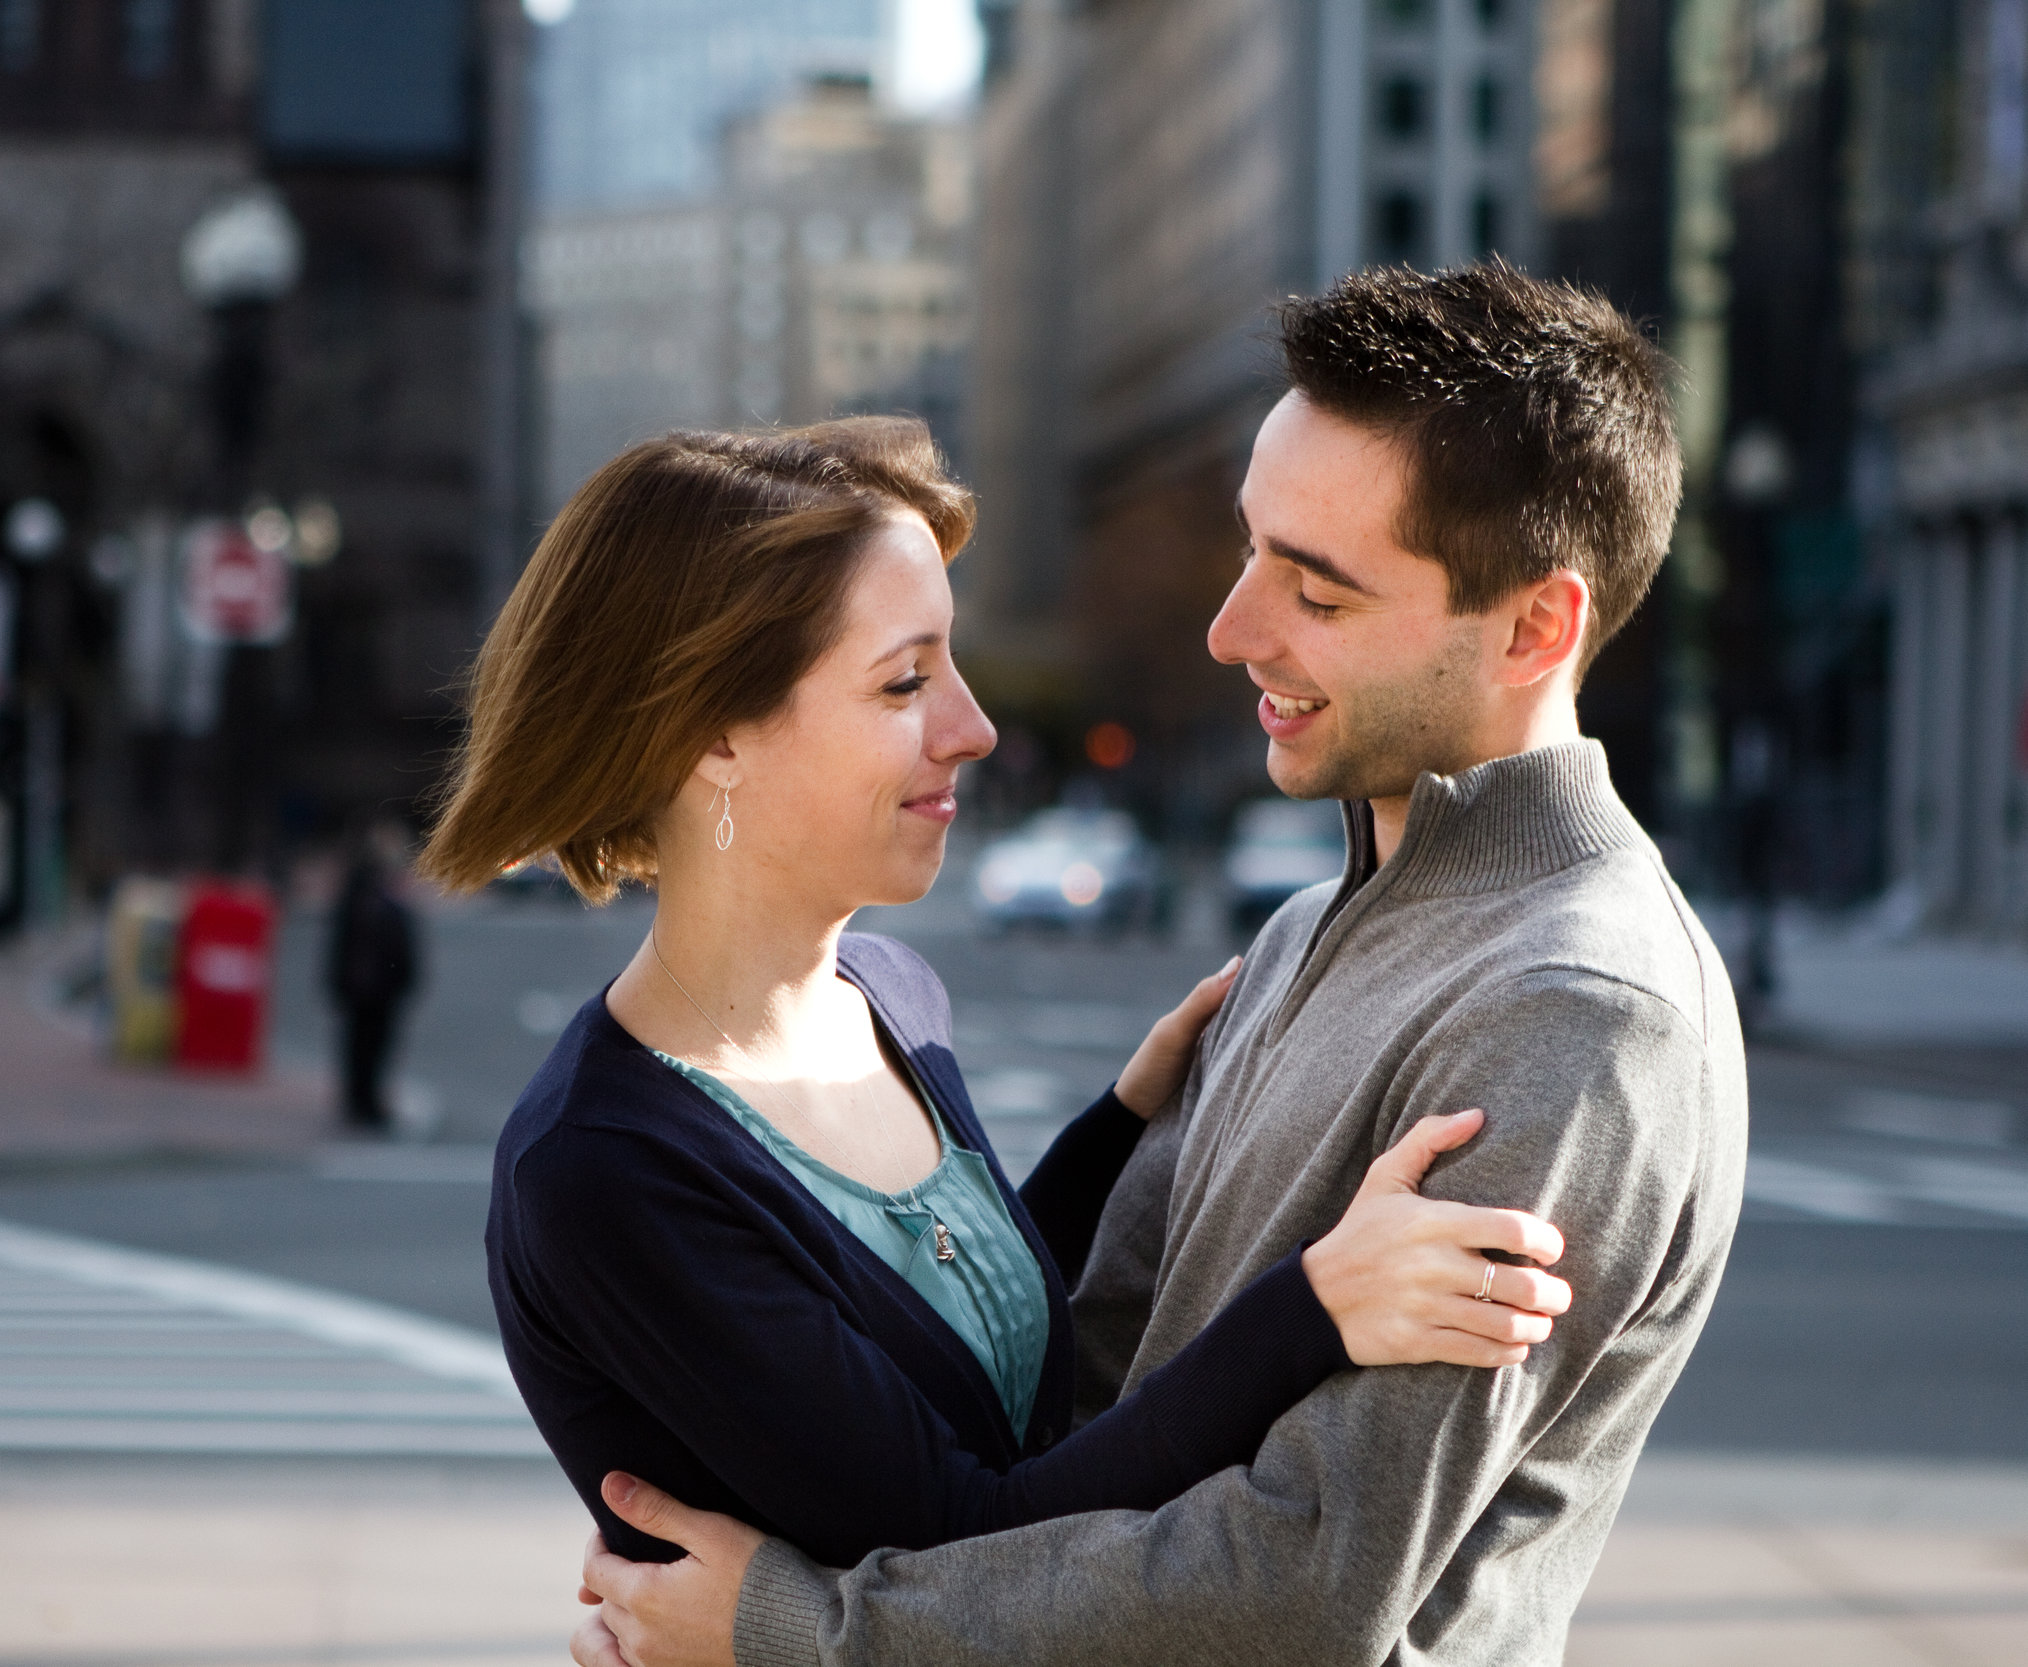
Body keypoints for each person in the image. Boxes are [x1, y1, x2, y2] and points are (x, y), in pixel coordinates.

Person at [573, 266, 1749, 1667]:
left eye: (1314, 588)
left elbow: (1299, 1583)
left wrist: (809, 1628)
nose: (1233, 627)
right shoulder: (1310, 929)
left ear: (1533, 628)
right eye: (1253, 549)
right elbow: (1076, 1400)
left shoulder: (1570, 1011)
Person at [418, 418, 1572, 1583]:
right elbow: (970, 1542)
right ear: (715, 730)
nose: (970, 728)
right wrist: (1314, 1306)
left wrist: (1118, 1127)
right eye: (904, 681)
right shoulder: (604, 1171)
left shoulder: (889, 994)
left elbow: (960, 1337)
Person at [324, 827, 420, 1130]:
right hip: (372, 987)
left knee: (367, 1047)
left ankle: (363, 1102)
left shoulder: (363, 892)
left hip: (372, 987)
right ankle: (362, 1104)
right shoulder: (368, 894)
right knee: (366, 1047)